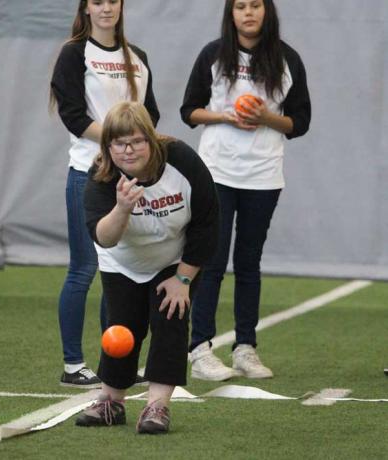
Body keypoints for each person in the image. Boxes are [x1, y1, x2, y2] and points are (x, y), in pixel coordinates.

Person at [180, 0, 311, 381]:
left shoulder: (287, 59)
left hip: (263, 174)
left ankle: (245, 348)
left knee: (249, 263)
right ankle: (200, 349)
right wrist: (227, 116)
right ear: (231, 13)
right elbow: (189, 110)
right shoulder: (213, 55)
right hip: (217, 171)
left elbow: (300, 121)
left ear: (267, 11)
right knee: (213, 260)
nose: (248, 13)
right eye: (240, 6)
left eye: (256, 5)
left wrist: (265, 117)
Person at [75, 101, 218, 434]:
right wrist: (122, 208)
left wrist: (183, 278)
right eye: (119, 143)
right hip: (122, 261)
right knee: (121, 328)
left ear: (151, 141)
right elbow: (103, 237)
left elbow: (208, 222)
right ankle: (111, 401)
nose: (128, 150)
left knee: (170, 320)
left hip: (173, 258)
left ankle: (157, 407)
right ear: (107, 146)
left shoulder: (182, 161)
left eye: (137, 141)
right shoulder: (101, 176)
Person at [50, 0, 159, 388]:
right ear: (86, 9)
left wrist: (136, 151)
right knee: (83, 269)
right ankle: (72, 364)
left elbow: (151, 116)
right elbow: (74, 116)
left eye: (112, 0)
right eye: (98, 1)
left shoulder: (138, 57)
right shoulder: (74, 53)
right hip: (89, 174)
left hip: (129, 179)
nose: (106, 8)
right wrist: (120, 141)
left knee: (121, 272)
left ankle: (113, 363)